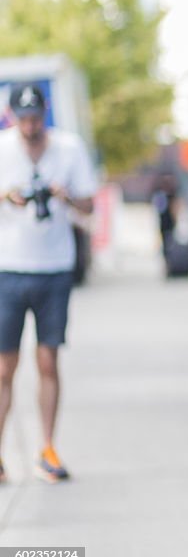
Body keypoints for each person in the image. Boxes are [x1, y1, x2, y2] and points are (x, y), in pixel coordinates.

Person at [0, 84, 97, 483]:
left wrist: (65, 196)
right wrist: (7, 196)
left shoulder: (69, 149)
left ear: (46, 112)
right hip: (9, 267)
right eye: (23, 118)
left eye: (36, 117)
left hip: (55, 268)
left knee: (48, 361)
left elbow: (89, 205)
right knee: (4, 367)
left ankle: (48, 449)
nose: (30, 125)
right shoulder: (3, 148)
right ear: (12, 116)